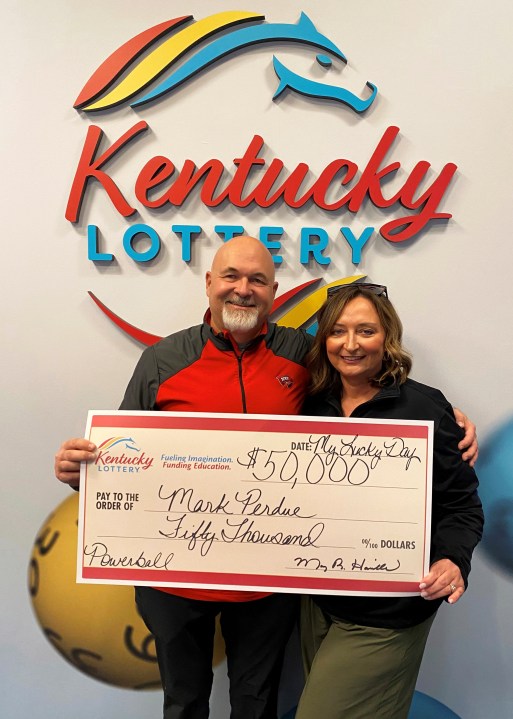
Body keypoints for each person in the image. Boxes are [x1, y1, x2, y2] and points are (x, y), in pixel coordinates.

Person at [54, 239, 478, 719]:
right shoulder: (162, 359)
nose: (243, 289)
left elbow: (371, 392)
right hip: (173, 578)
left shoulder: (303, 354)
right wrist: (79, 471)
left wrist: (447, 418)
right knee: (183, 700)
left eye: (257, 280)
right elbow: (122, 460)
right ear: (209, 283)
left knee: (256, 705)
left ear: (274, 291)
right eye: (231, 276)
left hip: (266, 583)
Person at [295, 283, 484, 719]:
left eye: (366, 330)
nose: (351, 344)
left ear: (388, 337)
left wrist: (453, 560)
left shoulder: (424, 408)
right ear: (324, 339)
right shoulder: (311, 406)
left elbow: (462, 506)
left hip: (388, 608)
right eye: (338, 331)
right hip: (317, 603)